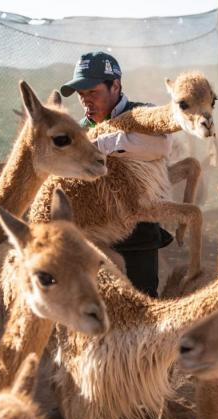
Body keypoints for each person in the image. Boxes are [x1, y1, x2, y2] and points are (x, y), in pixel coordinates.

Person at [60, 51, 174, 297]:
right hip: (95, 238)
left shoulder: (142, 113)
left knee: (140, 304)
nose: (86, 101)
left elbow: (161, 145)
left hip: (137, 237)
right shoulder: (80, 129)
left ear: (115, 86)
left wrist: (102, 144)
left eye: (93, 92)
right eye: (81, 94)